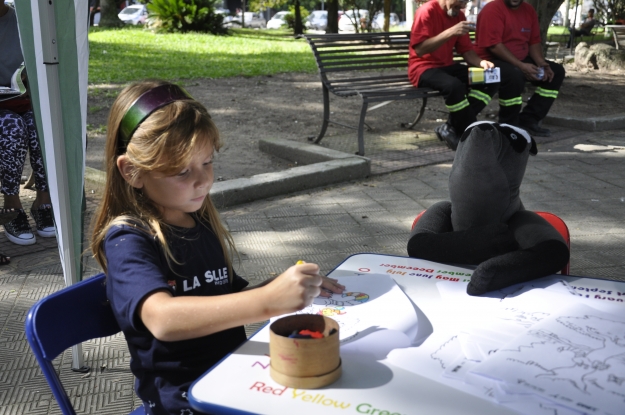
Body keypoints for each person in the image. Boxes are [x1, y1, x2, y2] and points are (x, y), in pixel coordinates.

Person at [89, 80, 346, 415]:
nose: (203, 180)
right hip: (184, 402)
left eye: (207, 163)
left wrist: (285, 286)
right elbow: (162, 319)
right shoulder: (127, 240)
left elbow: (221, 299)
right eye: (182, 171)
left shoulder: (197, 220)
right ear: (133, 171)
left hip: (231, 376)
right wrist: (267, 301)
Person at [0, 0, 55, 255]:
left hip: (24, 100)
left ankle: (43, 201)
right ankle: (12, 205)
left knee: (40, 125)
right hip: (4, 113)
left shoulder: (23, 21)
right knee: (13, 128)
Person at [409, 0, 498, 151]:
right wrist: (451, 32)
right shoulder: (427, 11)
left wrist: (482, 63)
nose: (463, 6)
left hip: (447, 67)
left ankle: (450, 126)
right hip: (423, 68)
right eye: (460, 1)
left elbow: (467, 52)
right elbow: (420, 50)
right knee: (454, 86)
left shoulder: (459, 15)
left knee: (490, 80)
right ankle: (471, 135)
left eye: (466, 2)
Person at [475, 0, 565, 137]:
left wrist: (541, 64)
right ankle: (508, 125)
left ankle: (529, 120)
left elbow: (534, 42)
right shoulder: (492, 9)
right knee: (514, 75)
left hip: (519, 61)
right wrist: (521, 66)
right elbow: (494, 46)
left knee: (556, 72)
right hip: (488, 62)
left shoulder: (529, 11)